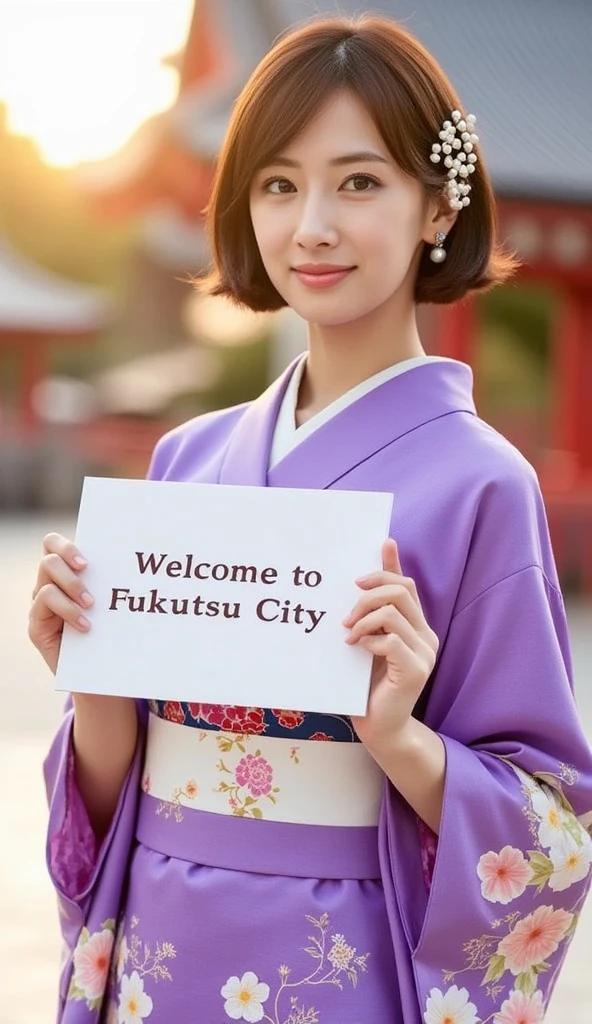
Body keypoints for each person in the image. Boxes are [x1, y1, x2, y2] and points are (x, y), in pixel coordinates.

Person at [30, 15, 592, 1024]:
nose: (311, 226)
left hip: (339, 960)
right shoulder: (186, 460)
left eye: (359, 181)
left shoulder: (481, 485)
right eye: (278, 185)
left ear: (436, 206)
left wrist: (398, 736)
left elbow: (548, 822)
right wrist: (94, 678)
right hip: (159, 951)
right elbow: (116, 782)